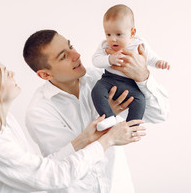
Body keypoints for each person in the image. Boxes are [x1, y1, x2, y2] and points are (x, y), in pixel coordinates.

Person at [0, 57, 146, 193]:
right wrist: (107, 140)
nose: (11, 72)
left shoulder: (3, 122)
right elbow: (52, 177)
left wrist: (84, 139)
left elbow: (43, 168)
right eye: (4, 72)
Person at [23, 30, 169, 193]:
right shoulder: (39, 111)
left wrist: (142, 76)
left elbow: (159, 114)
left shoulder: (102, 78)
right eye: (64, 56)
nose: (76, 54)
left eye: (71, 46)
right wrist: (106, 115)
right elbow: (62, 166)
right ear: (45, 74)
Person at [92, 4, 170, 131]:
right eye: (108, 34)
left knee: (140, 101)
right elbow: (95, 60)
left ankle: (132, 128)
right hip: (109, 80)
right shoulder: (105, 46)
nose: (113, 39)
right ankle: (108, 118)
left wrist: (158, 62)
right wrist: (109, 59)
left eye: (118, 34)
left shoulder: (138, 43)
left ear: (132, 32)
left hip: (131, 84)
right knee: (96, 91)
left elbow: (150, 57)